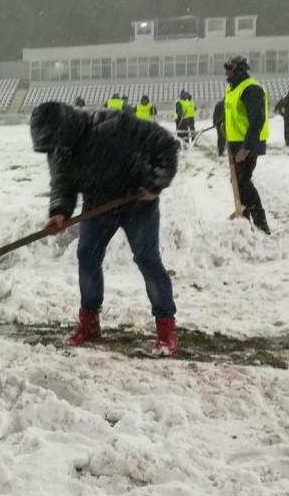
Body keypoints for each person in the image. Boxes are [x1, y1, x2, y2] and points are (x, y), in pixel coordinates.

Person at [30, 101, 180, 357]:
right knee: (87, 256)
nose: (54, 151)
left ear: (66, 131)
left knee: (146, 258)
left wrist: (153, 184)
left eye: (56, 144)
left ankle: (166, 329)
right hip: (97, 206)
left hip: (136, 203)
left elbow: (166, 144)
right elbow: (62, 184)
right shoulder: (58, 148)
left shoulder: (114, 125)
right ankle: (89, 323)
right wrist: (59, 212)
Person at [223, 56, 270, 234]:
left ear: (239, 70)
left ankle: (260, 224)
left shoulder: (251, 89)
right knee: (237, 182)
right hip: (237, 142)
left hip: (249, 143)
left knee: (242, 181)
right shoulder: (232, 88)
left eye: (229, 69)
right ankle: (246, 221)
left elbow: (257, 120)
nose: (226, 72)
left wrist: (246, 148)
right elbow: (233, 111)